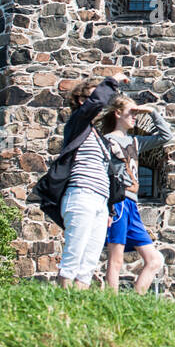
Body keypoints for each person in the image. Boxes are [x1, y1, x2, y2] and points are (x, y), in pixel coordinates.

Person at [56, 74, 129, 289]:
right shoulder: (77, 125)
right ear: (81, 101)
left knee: (88, 262)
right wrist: (112, 81)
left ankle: (78, 306)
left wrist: (109, 209)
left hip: (99, 200)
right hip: (80, 195)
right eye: (93, 96)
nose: (102, 102)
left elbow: (105, 174)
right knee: (73, 256)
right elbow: (96, 103)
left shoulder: (96, 135)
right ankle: (62, 303)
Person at [98, 96, 172, 294]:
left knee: (155, 260)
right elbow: (102, 175)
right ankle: (111, 304)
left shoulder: (135, 142)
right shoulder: (106, 142)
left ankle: (136, 301)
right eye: (132, 112)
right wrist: (107, 208)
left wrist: (152, 112)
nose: (135, 117)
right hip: (118, 203)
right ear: (117, 113)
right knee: (116, 259)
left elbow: (166, 137)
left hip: (132, 205)